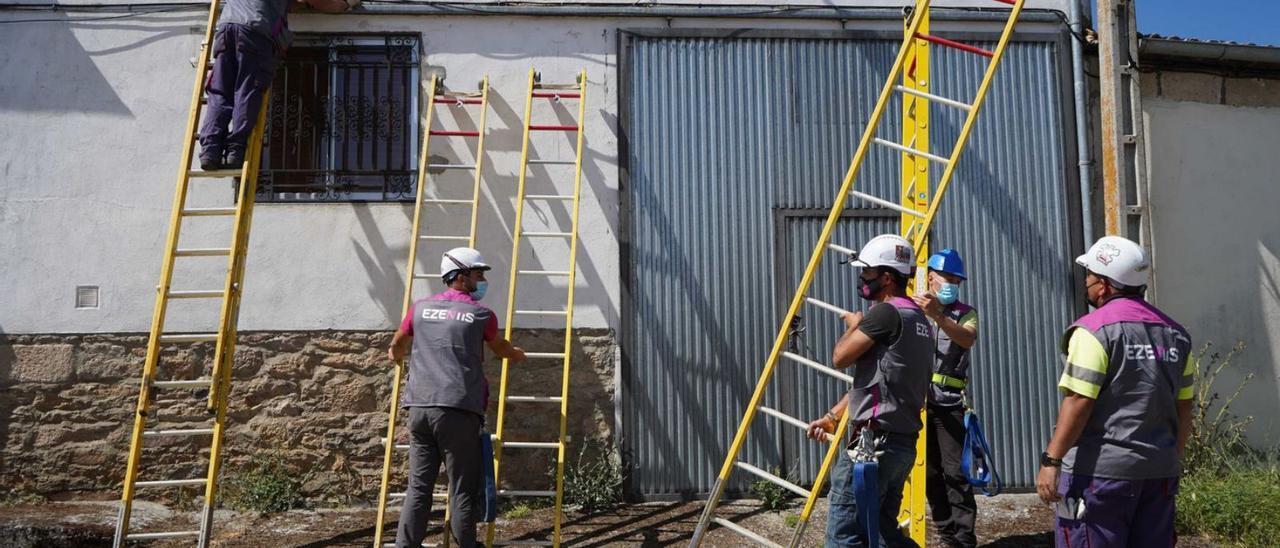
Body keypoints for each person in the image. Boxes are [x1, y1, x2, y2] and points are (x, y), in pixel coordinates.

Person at [1035, 236, 1194, 548]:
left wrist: (1051, 460)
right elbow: (1184, 407)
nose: (1087, 283)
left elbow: (1079, 400)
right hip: (1158, 474)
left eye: (1090, 276)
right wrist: (1170, 459)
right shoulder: (1176, 335)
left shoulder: (1094, 331)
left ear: (1104, 285)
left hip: (1099, 477)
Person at [387, 247, 525, 548]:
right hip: (458, 409)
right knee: (462, 488)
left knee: (419, 488)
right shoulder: (481, 315)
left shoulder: (420, 308)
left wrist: (396, 355)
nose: (482, 280)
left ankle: (404, 545)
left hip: (420, 407)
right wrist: (516, 354)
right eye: (478, 274)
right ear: (460, 276)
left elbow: (397, 344)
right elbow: (501, 349)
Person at [806, 234, 934, 548]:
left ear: (887, 277)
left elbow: (840, 358)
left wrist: (854, 324)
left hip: (872, 445)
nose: (862, 279)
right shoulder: (920, 321)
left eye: (867, 273)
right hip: (901, 445)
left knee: (845, 537)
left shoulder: (885, 314)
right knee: (882, 534)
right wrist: (833, 416)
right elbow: (880, 382)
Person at [198, 0, 356, 171]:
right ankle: (235, 150)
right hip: (255, 31)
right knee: (247, 90)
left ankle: (209, 151)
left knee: (220, 92)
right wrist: (345, 4)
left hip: (226, 27)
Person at [913, 249, 980, 548]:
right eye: (947, 278)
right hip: (917, 405)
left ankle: (964, 540)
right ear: (931, 278)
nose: (952, 284)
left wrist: (937, 316)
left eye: (957, 280)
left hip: (950, 405)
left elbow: (967, 339)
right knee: (929, 472)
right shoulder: (911, 308)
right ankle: (946, 533)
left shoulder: (965, 312)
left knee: (956, 474)